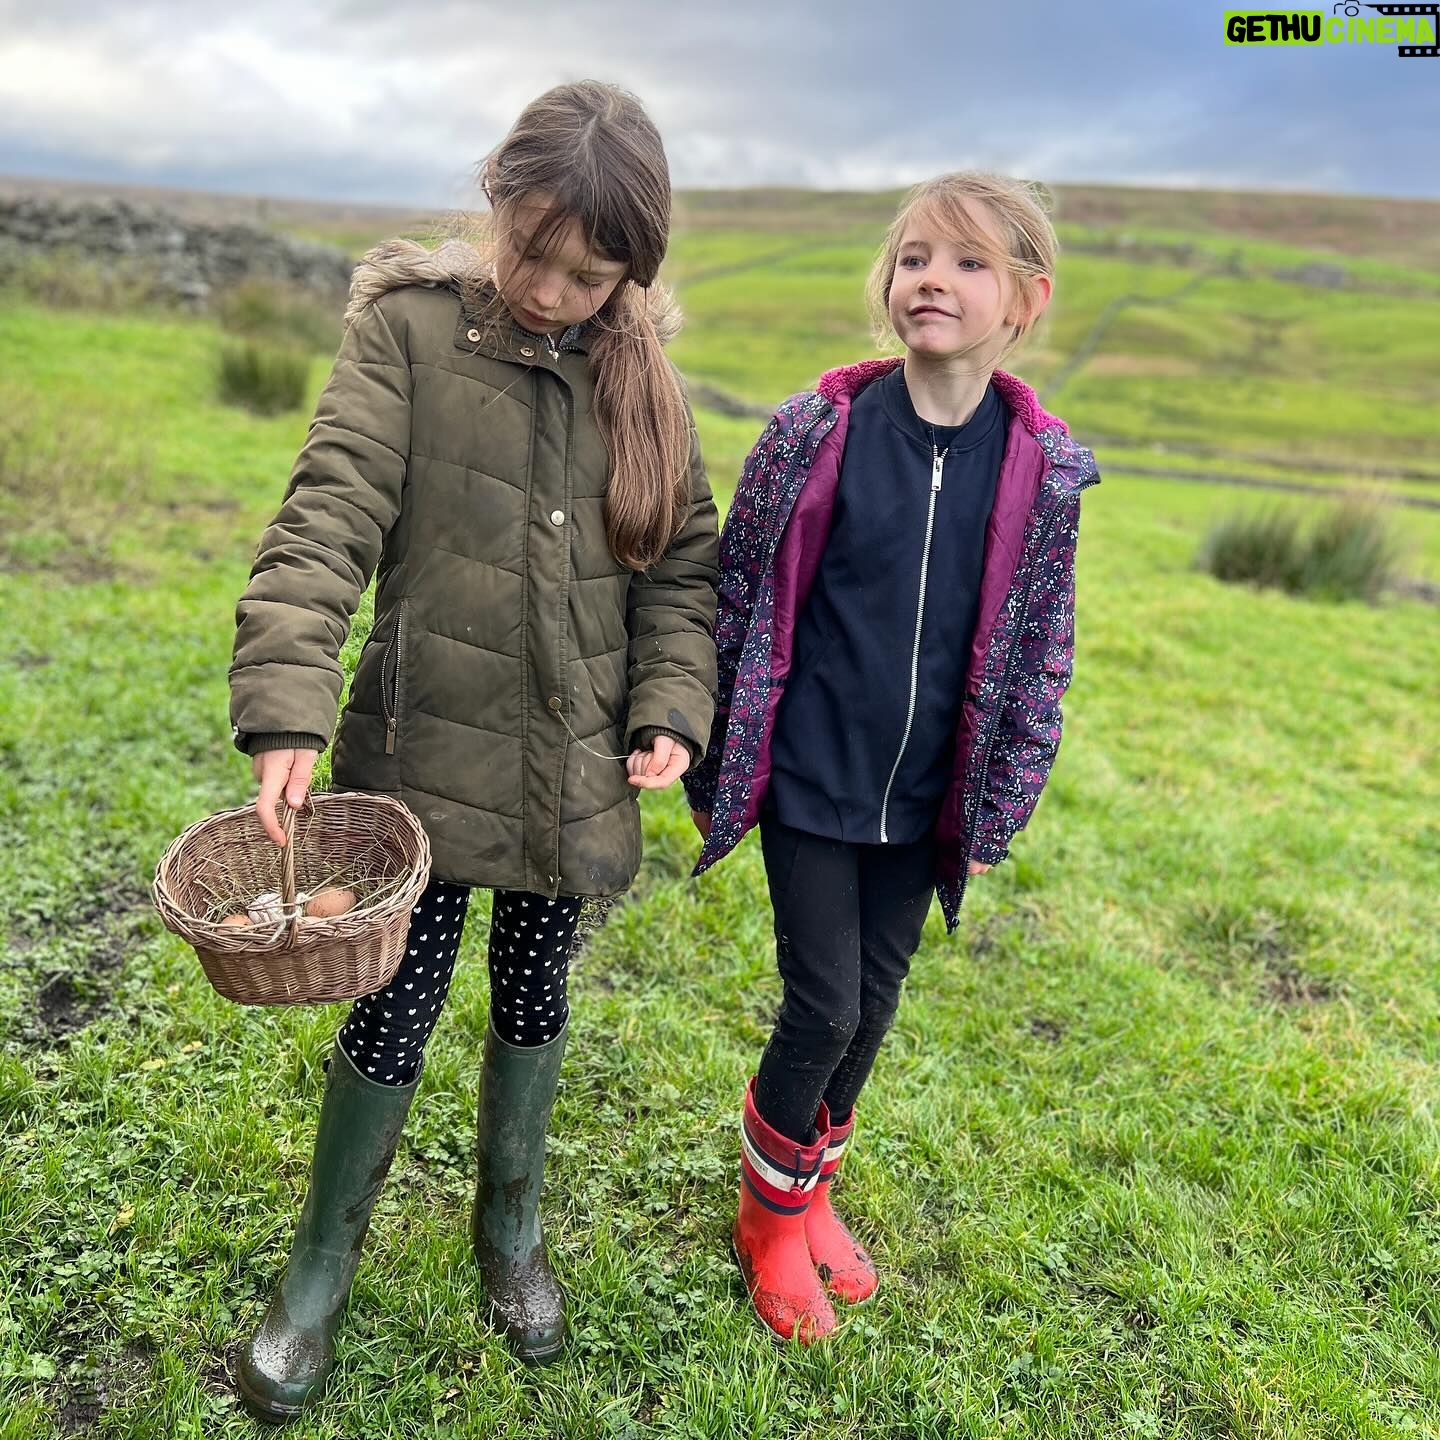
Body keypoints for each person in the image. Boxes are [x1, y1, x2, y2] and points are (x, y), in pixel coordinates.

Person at [227, 81, 718, 1420]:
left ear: (633, 268)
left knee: (536, 994)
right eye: (536, 254)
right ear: (495, 205)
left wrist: (670, 706)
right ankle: (319, 1265)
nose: (557, 291)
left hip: (572, 778)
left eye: (592, 272)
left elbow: (683, 571)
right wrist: (287, 704)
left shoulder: (649, 387)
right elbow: (327, 515)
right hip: (426, 758)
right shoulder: (405, 336)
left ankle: (510, 1235)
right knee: (395, 997)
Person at [684, 172, 1098, 1343]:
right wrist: (712, 739)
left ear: (1025, 298)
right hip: (812, 779)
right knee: (821, 1006)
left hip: (926, 798)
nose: (934, 280)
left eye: (969, 263)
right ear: (887, 281)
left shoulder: (1044, 470)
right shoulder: (818, 431)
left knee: (876, 1003)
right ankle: (766, 1221)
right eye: (915, 256)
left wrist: (1008, 783)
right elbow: (738, 596)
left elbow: (1042, 648)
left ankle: (807, 1195)